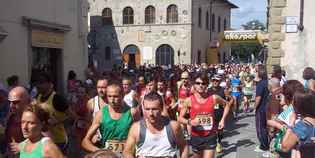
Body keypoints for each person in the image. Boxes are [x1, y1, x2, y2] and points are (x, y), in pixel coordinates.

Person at [178, 73, 232, 158]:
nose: (200, 85)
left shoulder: (214, 98)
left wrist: (223, 119)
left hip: (210, 136)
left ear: (207, 85)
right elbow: (180, 118)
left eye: (203, 83)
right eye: (198, 83)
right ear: (194, 85)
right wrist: (190, 121)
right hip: (196, 136)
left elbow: (227, 105)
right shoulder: (189, 100)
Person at [123, 92, 188, 158]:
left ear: (161, 109)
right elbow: (127, 151)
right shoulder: (136, 128)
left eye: (154, 109)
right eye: (147, 109)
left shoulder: (173, 126)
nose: (151, 113)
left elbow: (184, 147)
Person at [82, 83, 140, 155]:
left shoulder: (132, 113)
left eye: (116, 96)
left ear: (123, 95)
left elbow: (140, 137)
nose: (112, 100)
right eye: (109, 96)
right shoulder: (100, 114)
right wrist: (101, 151)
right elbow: (85, 141)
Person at [35, 72, 69, 153]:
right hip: (43, 140)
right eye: (37, 83)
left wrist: (57, 121)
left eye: (41, 83)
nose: (38, 85)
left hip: (58, 141)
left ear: (49, 84)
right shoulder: (38, 97)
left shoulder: (57, 99)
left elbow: (72, 117)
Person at [281, 91, 315, 157]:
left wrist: (291, 124)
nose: (292, 103)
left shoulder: (302, 126)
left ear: (299, 105)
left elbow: (284, 148)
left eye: (293, 101)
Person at [5, 86, 31, 157]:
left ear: (28, 101)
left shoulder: (35, 119)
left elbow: (45, 142)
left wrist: (22, 147)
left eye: (15, 102)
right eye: (9, 102)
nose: (11, 106)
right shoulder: (10, 117)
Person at [254, 67, 270, 154]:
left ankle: (264, 146)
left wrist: (254, 107)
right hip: (267, 108)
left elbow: (258, 97)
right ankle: (266, 144)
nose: (256, 73)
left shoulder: (260, 84)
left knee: (260, 128)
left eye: (257, 72)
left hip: (261, 109)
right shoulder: (268, 82)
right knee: (266, 127)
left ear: (259, 74)